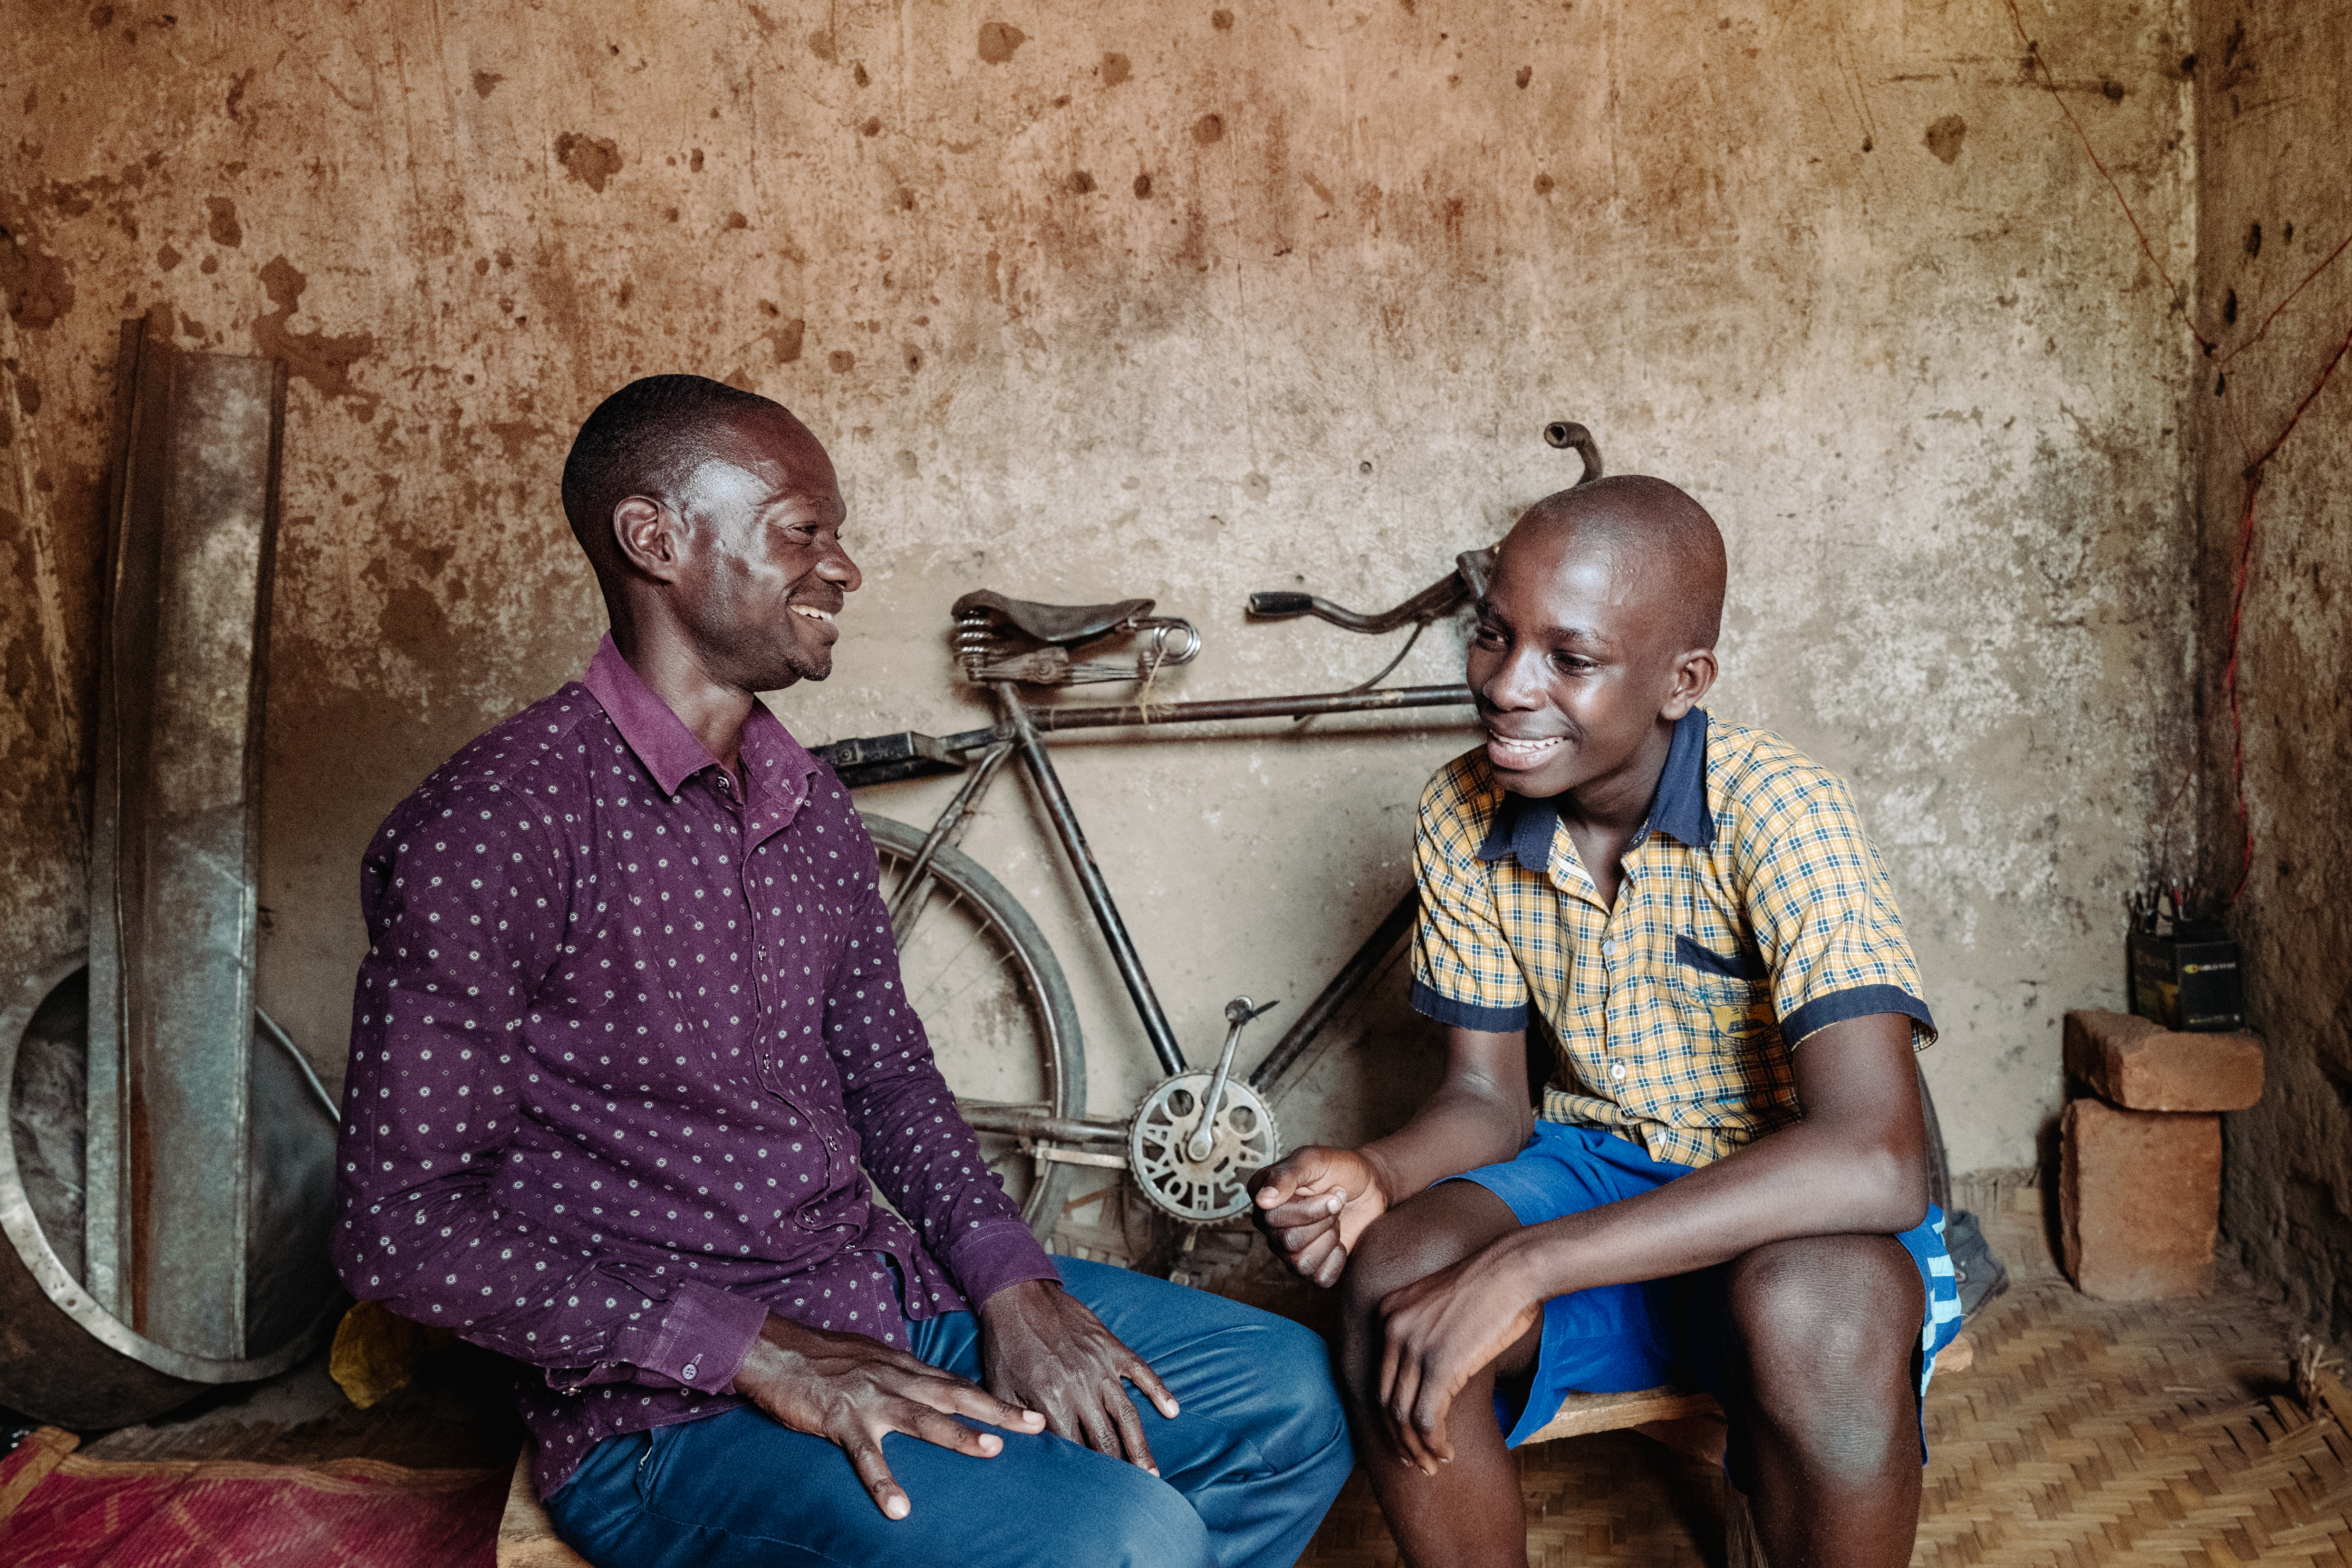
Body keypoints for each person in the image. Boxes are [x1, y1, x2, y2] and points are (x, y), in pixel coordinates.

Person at [331, 375, 1351, 1568]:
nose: (844, 568)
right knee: (1119, 1536)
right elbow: (399, 1229)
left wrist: (1009, 1282)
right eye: (800, 532)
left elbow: (888, 1079)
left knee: (1288, 1404)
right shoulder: (496, 822)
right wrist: (752, 1349)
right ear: (654, 540)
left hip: (882, 1297)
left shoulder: (806, 804)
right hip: (666, 1411)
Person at [1248, 475, 1962, 1568]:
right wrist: (1379, 1172)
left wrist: (1525, 1267)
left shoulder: (1779, 812)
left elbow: (1874, 1159)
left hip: (1790, 1201)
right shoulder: (1462, 811)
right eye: (1493, 635)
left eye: (1569, 660)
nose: (1505, 686)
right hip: (1593, 1167)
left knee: (1816, 1307)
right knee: (1393, 1272)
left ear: (1682, 681)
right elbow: (1486, 1101)